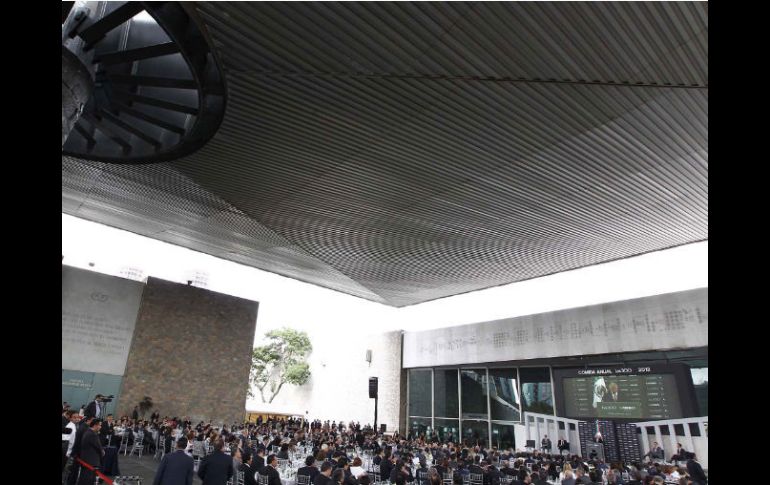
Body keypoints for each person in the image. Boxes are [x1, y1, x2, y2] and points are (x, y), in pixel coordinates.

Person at [78, 418, 105, 485]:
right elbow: (99, 448)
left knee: (84, 479)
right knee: (87, 480)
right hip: (91, 462)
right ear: (95, 425)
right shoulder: (92, 435)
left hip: (86, 460)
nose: (100, 427)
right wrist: (102, 452)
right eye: (100, 425)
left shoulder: (87, 432)